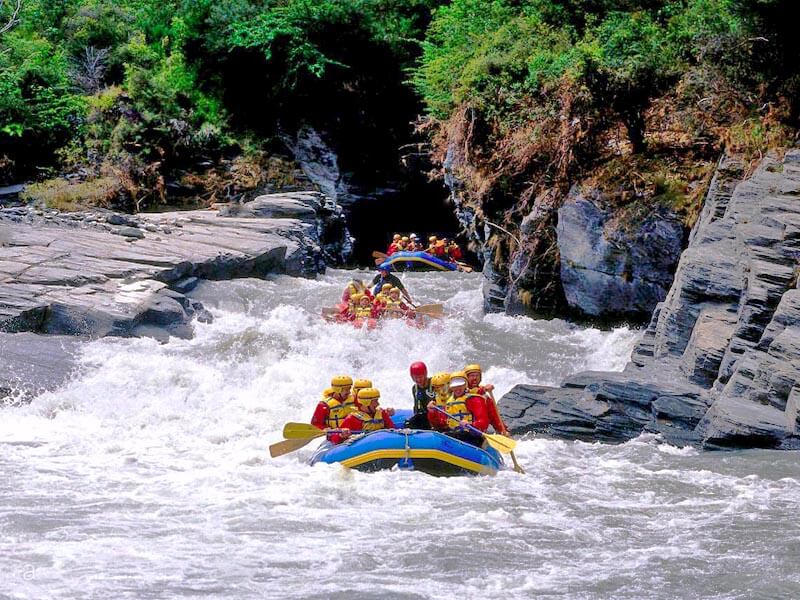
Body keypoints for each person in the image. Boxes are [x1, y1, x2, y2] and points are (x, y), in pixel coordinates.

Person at [427, 372, 488, 447]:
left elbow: (483, 422)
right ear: (451, 387)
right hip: (455, 433)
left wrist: (471, 425)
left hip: (472, 435)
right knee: (439, 433)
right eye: (454, 386)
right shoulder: (449, 402)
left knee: (450, 436)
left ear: (465, 384)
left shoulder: (474, 399)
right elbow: (440, 424)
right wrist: (432, 412)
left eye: (460, 385)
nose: (457, 389)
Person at [329, 387, 396, 444]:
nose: (378, 404)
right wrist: (341, 435)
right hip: (364, 448)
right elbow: (335, 439)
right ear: (366, 402)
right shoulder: (353, 419)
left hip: (382, 444)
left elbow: (392, 429)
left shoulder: (382, 413)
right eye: (375, 401)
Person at [464, 363, 508, 435]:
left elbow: (494, 417)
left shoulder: (484, 397)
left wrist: (503, 430)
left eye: (477, 376)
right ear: (466, 378)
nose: (475, 378)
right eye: (472, 376)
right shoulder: (459, 391)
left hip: (475, 430)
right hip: (459, 426)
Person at [403, 361, 435, 429]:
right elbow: (417, 406)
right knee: (408, 424)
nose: (418, 380)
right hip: (423, 416)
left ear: (425, 374)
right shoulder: (415, 388)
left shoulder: (434, 383)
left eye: (420, 377)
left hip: (436, 415)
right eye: (415, 377)